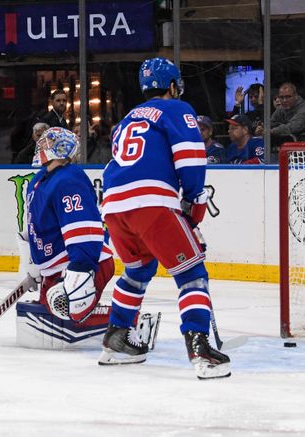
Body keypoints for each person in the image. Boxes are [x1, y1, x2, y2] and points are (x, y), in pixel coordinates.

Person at [99, 57, 231, 379]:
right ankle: (200, 349)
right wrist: (194, 198)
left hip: (114, 206)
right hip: (151, 203)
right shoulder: (177, 109)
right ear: (172, 85)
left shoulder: (129, 117)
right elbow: (190, 158)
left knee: (138, 270)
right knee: (192, 275)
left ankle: (116, 340)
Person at [14, 127, 156, 349]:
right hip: (59, 265)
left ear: (61, 149)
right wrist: (33, 267)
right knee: (50, 309)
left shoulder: (68, 180)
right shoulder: (38, 180)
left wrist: (80, 270)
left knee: (69, 309)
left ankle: (132, 321)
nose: (42, 145)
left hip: (86, 262)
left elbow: (82, 229)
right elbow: (33, 228)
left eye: (49, 142)